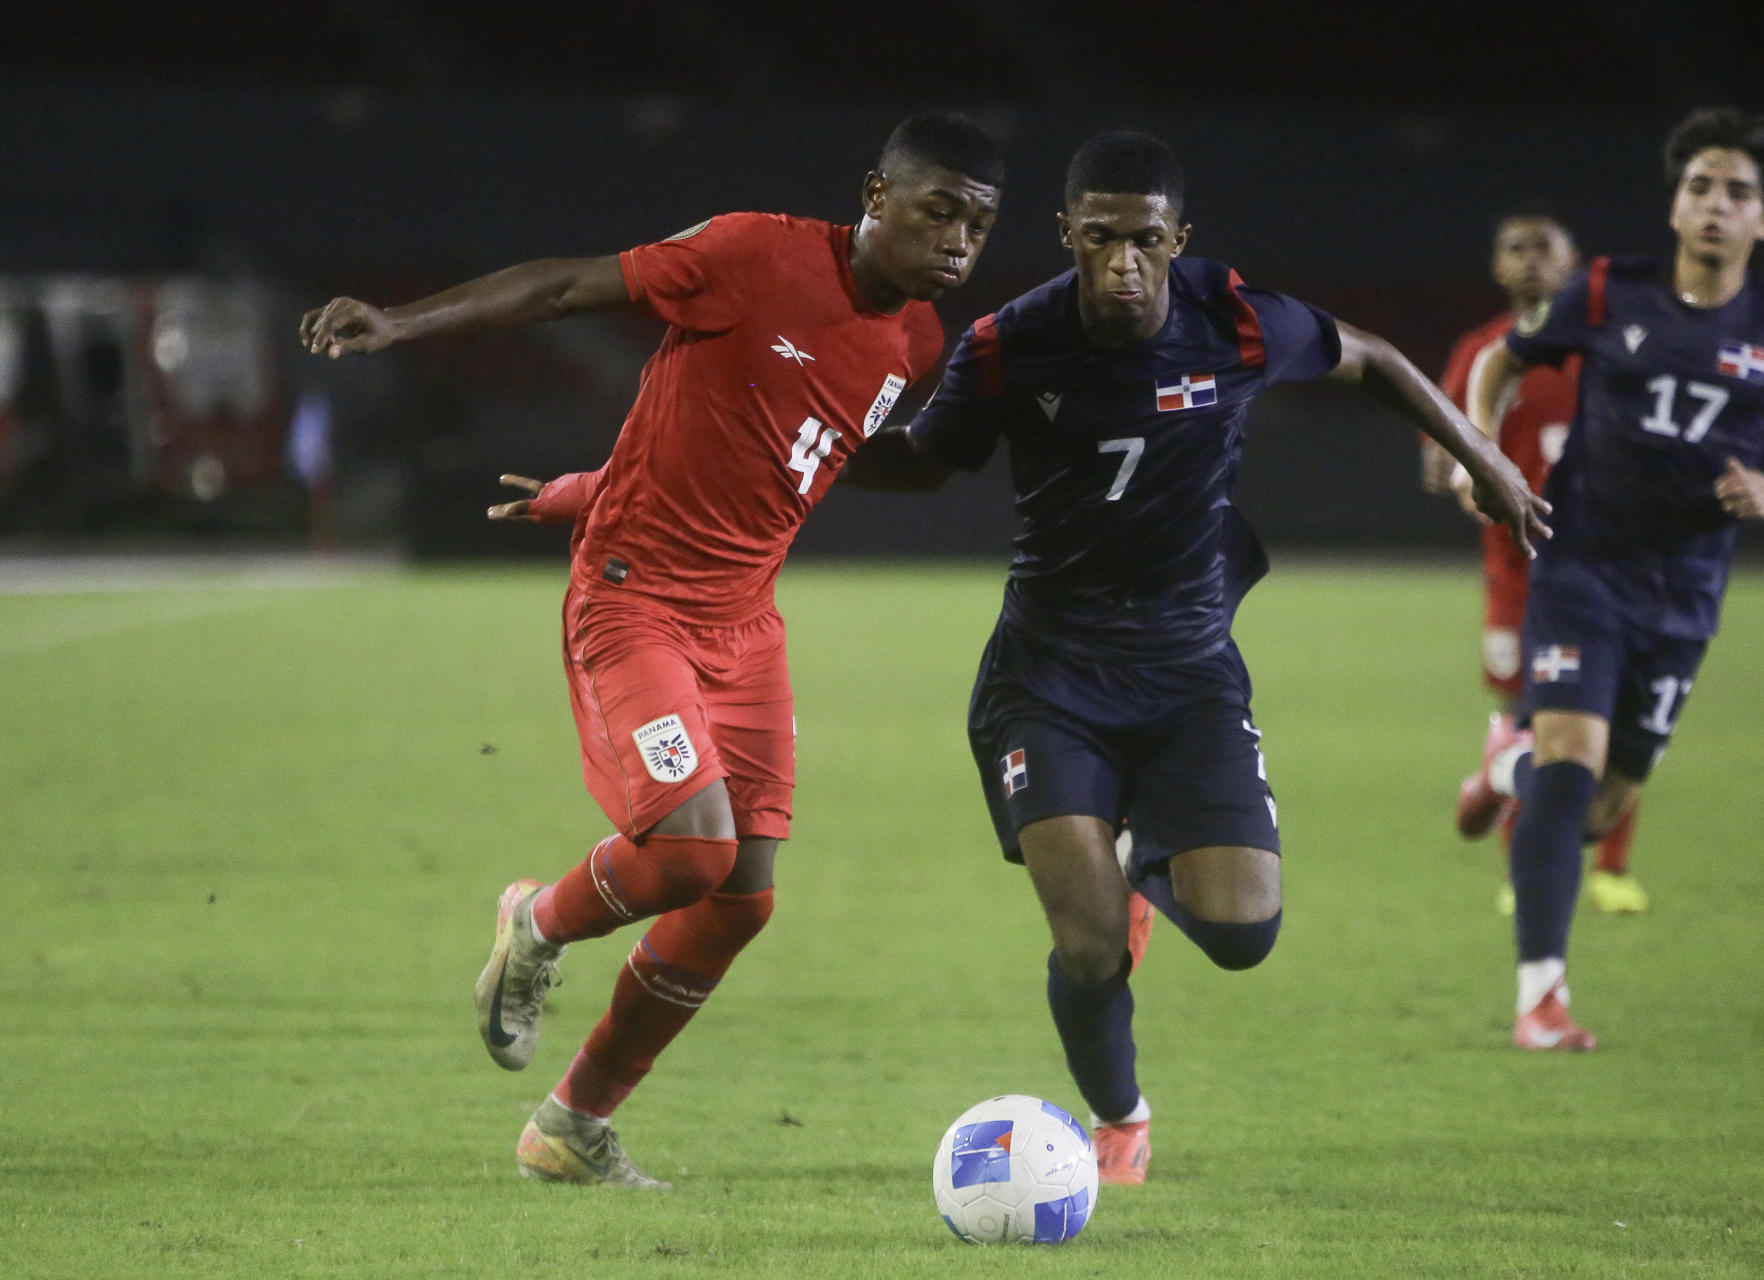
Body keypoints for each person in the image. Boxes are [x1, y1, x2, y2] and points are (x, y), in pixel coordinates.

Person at [300, 114, 1005, 1185]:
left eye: (979, 225)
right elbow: (563, 288)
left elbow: (777, 456)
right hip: (633, 599)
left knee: (742, 896)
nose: (957, 240)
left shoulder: (911, 343)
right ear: (875, 193)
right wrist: (401, 323)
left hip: (745, 623)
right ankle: (535, 922)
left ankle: (571, 1126)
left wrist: (588, 484)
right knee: (689, 849)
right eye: (937, 209)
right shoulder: (752, 252)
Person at [845, 132, 1547, 1183]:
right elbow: (927, 462)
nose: (1122, 263)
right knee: (1087, 946)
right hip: (1049, 676)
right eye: (1098, 240)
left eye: (1143, 241)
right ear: (1065, 235)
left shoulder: (1239, 319)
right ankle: (1119, 1119)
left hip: (1189, 673)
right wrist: (787, 438)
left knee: (1242, 933)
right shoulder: (1009, 342)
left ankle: (1143, 866)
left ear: (1179, 238)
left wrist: (1484, 456)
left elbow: (1379, 361)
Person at [1459, 108, 1764, 1051]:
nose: (1716, 205)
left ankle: (1505, 767)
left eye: (1737, 193)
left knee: (1594, 807)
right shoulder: (1605, 291)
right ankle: (1539, 1001)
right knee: (1572, 758)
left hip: (1687, 593)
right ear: (1675, 207)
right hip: (1583, 565)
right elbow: (1504, 357)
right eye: (1700, 187)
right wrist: (1481, 456)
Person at [1434, 216, 1652, 916]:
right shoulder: (1480, 352)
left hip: (1604, 565)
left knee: (1616, 719)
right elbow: (1440, 456)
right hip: (1517, 573)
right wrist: (1467, 479)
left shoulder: (1605, 347)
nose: (1530, 261)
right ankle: (1522, 869)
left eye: (1544, 249)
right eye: (1515, 250)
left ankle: (1612, 870)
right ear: (1497, 267)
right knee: (1526, 717)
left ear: (1575, 264)